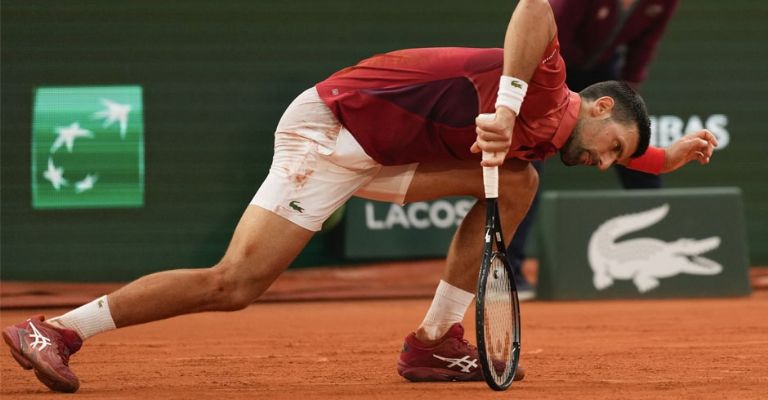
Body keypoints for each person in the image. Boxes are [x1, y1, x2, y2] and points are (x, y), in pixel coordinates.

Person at [2, 0, 716, 393]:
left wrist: (665, 155)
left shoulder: (556, 138)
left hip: (383, 151)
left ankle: (435, 343)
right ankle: (57, 330)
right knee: (233, 285)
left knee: (520, 182)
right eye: (614, 149)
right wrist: (506, 104)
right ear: (593, 108)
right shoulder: (551, 88)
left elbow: (597, 147)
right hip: (332, 129)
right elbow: (536, 6)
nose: (604, 167)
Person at [507, 0, 681, 300]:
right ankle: (510, 272)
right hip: (551, 69)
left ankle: (662, 260)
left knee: (633, 144)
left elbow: (645, 43)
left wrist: (628, 95)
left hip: (604, 76)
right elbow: (551, 31)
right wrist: (555, 95)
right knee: (527, 170)